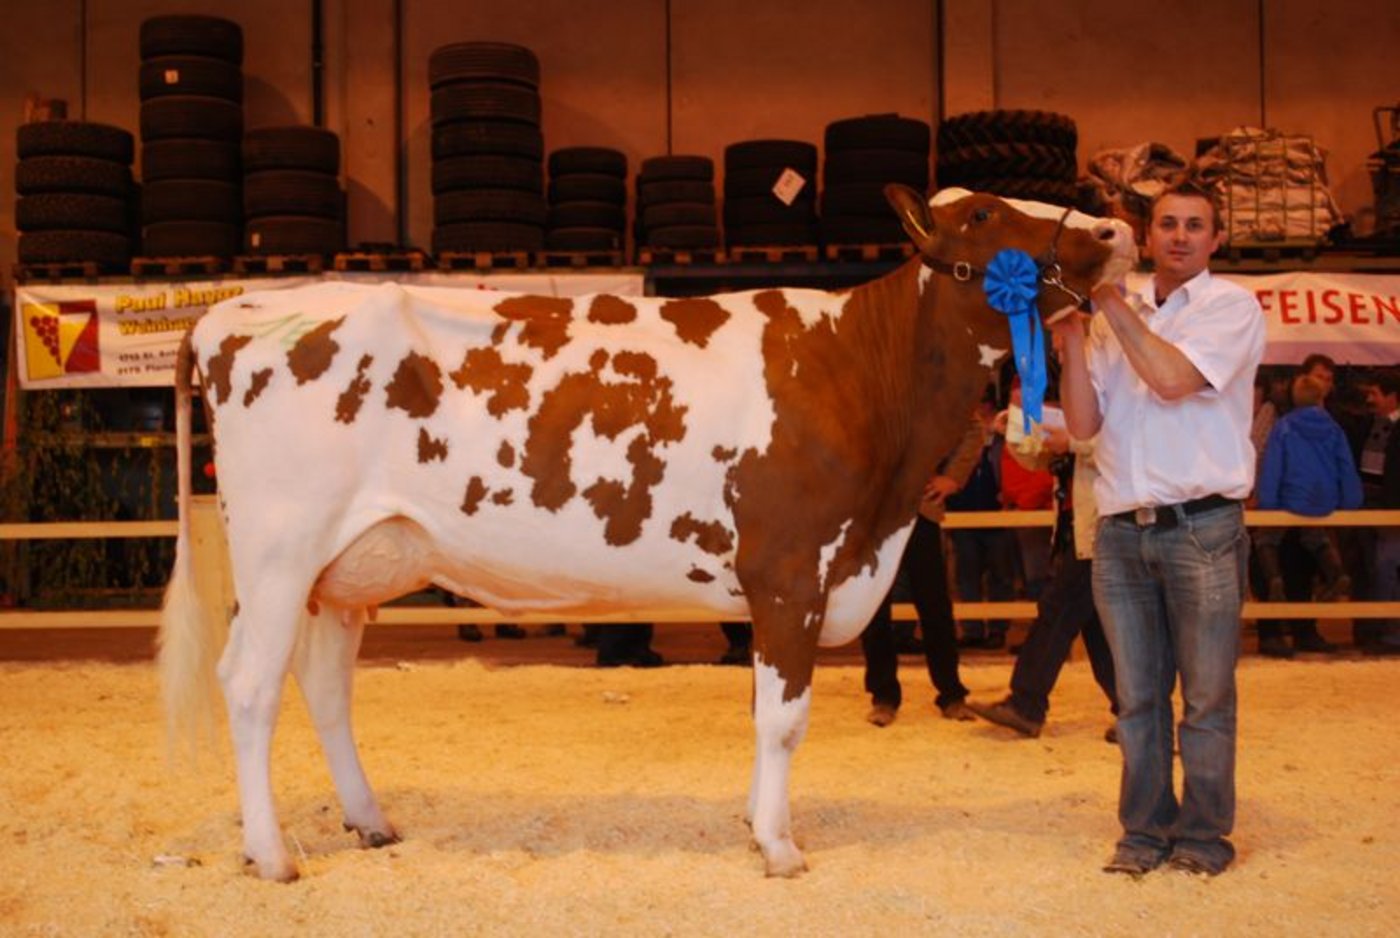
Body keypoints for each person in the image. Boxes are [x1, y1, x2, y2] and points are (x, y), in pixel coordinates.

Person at [1053, 181, 1266, 878]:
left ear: (1215, 240)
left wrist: (1108, 298)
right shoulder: (1121, 315)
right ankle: (1142, 833)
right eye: (1167, 223)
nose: (1179, 235)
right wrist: (1071, 343)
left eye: (1194, 226)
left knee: (1205, 696)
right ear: (1148, 235)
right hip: (1120, 529)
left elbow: (1174, 380)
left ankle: (1203, 836)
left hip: (1202, 527)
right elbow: (1085, 426)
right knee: (1137, 698)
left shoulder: (1231, 307)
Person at [968, 397, 1118, 740]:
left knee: (1057, 610)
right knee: (1095, 630)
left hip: (1099, 530)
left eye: (1065, 346)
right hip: (1077, 530)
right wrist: (1017, 431)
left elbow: (1123, 445)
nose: (1060, 350)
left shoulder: (1111, 398)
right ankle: (1135, 711)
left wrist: (1074, 442)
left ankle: (1026, 703)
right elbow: (1040, 457)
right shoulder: (1082, 406)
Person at [861, 412, 983, 727]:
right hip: (874, 513)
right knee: (874, 610)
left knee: (935, 606)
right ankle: (883, 695)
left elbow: (972, 429)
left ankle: (951, 693)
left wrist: (953, 477)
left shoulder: (928, 379)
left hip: (920, 510)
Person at [1251, 372, 1362, 655]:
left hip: (1291, 499)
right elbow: (1346, 466)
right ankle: (1335, 571)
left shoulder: (1285, 427)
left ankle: (1274, 577)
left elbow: (1273, 467)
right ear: (1322, 397)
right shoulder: (1334, 428)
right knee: (1315, 537)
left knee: (1266, 541)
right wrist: (1350, 503)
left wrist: (1268, 503)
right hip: (1324, 502)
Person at [944, 389, 1017, 650]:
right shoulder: (956, 432)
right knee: (966, 575)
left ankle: (997, 629)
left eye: (983, 404)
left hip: (998, 514)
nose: (980, 409)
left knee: (1000, 576)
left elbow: (1014, 465)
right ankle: (972, 629)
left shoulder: (1004, 436)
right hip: (962, 512)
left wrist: (1009, 494)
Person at [1350, 370, 1400, 653]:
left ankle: (1390, 633)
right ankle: (1369, 630)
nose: (1369, 399)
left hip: (1391, 509)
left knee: (1386, 566)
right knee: (1367, 567)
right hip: (1367, 506)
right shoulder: (1369, 424)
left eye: (1375, 393)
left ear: (1392, 396)